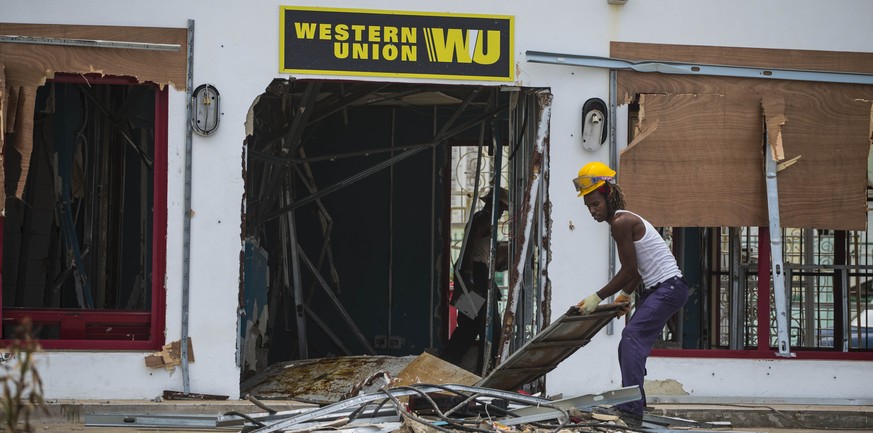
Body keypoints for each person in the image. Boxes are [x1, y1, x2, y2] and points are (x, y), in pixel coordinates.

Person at [572, 161, 689, 422]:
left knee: (631, 338)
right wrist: (625, 295)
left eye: (595, 204)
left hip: (668, 288)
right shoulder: (623, 219)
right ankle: (636, 405)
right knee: (630, 344)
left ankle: (631, 410)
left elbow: (627, 270)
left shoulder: (621, 222)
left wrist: (596, 298)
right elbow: (636, 271)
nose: (592, 211)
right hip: (662, 289)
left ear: (607, 194)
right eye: (588, 206)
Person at [442, 187, 509, 371]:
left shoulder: (484, 220)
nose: (502, 213)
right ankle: (487, 367)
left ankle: (451, 361)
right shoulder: (483, 218)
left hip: (475, 272)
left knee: (470, 323)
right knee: (485, 323)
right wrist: (469, 275)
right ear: (492, 204)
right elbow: (470, 245)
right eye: (501, 208)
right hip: (475, 273)